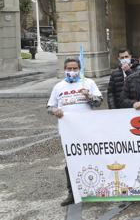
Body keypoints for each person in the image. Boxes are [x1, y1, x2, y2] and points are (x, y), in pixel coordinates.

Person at [48, 58, 103, 206]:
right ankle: (72, 192)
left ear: (80, 69)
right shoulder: (58, 87)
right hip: (68, 132)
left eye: (74, 69)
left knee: (92, 158)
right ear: (64, 69)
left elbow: (98, 102)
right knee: (70, 161)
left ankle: (96, 188)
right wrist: (54, 110)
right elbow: (49, 107)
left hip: (88, 129)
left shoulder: (88, 83)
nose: (71, 71)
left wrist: (88, 96)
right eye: (69, 68)